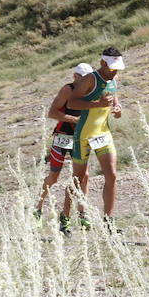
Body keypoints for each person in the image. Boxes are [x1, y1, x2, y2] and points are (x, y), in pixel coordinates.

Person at [66, 46, 125, 233]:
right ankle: (65, 218)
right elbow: (72, 102)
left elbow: (114, 102)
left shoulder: (114, 78)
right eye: (111, 67)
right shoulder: (90, 79)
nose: (114, 71)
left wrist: (117, 109)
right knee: (78, 179)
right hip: (83, 134)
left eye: (117, 67)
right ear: (101, 63)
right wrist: (97, 104)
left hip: (103, 133)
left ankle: (109, 222)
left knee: (112, 175)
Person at [34, 63, 93, 233]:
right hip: (63, 137)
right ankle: (37, 208)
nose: (86, 81)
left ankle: (83, 213)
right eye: (83, 77)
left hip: (80, 138)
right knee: (54, 177)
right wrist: (75, 121)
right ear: (75, 76)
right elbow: (52, 113)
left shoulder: (90, 90)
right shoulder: (67, 90)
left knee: (84, 176)